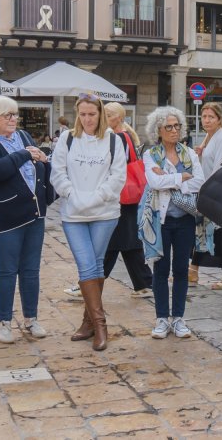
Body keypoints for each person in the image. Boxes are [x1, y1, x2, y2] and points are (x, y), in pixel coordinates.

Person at [51, 94, 127, 351]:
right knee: (86, 266)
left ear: (101, 114)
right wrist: (73, 195)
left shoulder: (114, 140)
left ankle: (88, 323)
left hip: (105, 213)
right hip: (73, 214)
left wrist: (95, 197)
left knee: (95, 265)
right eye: (82, 114)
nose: (87, 119)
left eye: (91, 114)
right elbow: (57, 173)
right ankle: (101, 324)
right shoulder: (67, 139)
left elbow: (118, 177)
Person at [0, 96, 53, 344]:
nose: (13, 119)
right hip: (5, 216)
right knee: (7, 270)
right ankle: (4, 323)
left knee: (31, 270)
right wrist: (23, 155)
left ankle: (31, 319)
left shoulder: (25, 137)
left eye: (15, 114)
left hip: (34, 213)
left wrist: (42, 160)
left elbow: (38, 164)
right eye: (6, 115)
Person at [141, 106, 203, 339]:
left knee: (181, 269)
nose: (175, 130)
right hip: (161, 219)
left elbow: (200, 181)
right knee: (161, 269)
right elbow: (154, 182)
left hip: (185, 218)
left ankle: (178, 318)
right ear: (158, 129)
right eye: (169, 126)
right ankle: (161, 319)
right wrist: (180, 177)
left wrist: (173, 181)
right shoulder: (151, 154)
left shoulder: (189, 153)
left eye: (177, 125)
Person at [100, 102, 152, 297]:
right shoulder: (126, 135)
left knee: (113, 242)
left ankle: (91, 283)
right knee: (128, 241)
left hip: (120, 195)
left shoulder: (118, 137)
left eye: (108, 114)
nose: (104, 118)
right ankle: (145, 283)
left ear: (119, 117)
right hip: (127, 195)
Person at [196, 102, 222, 290]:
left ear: (219, 119)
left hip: (217, 193)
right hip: (207, 191)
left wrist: (206, 192)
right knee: (200, 232)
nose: (207, 120)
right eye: (204, 117)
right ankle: (192, 271)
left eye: (211, 117)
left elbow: (220, 168)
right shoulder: (208, 137)